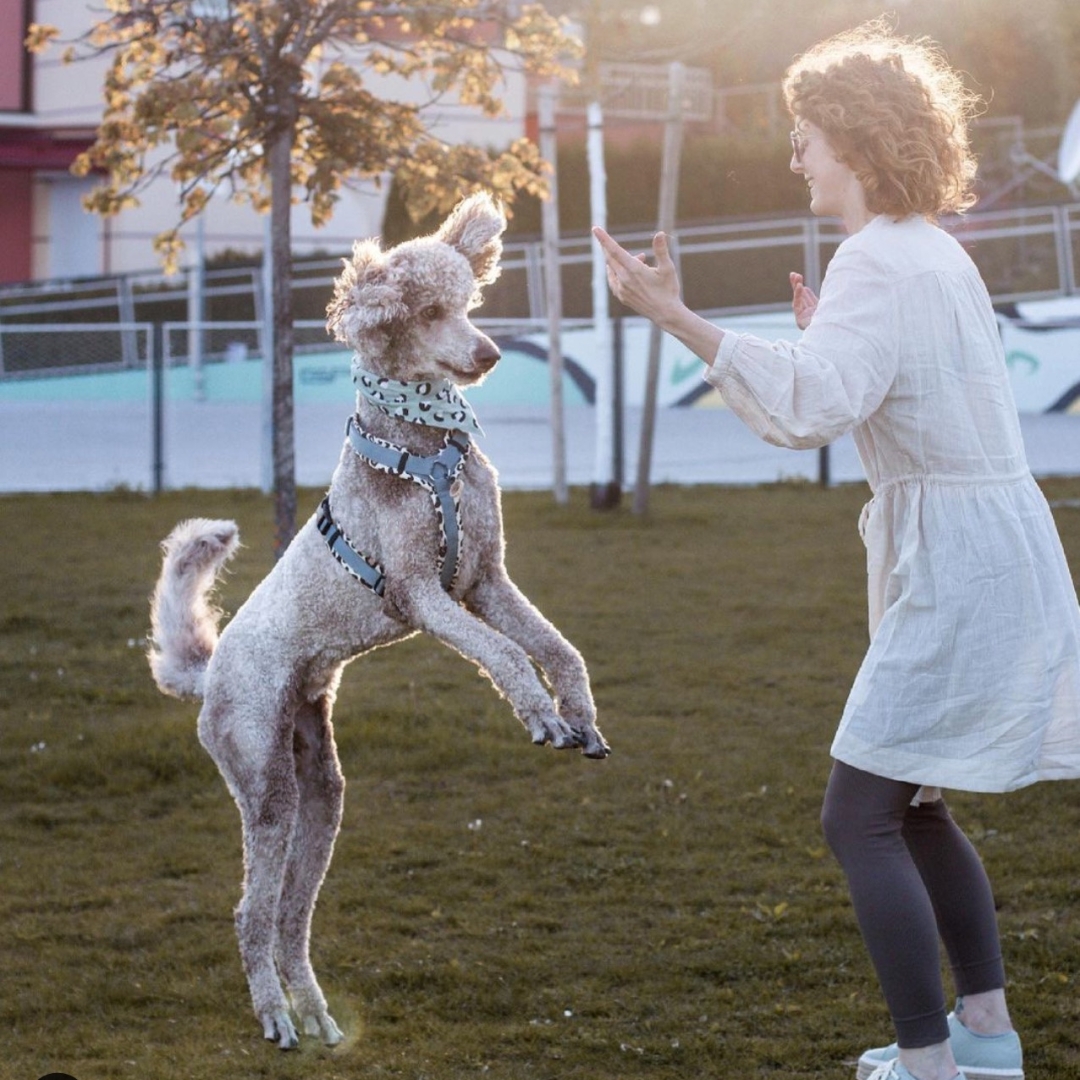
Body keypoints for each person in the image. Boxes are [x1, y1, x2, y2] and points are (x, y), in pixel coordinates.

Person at [593, 20, 1080, 1080]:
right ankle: (985, 1037)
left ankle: (929, 1065)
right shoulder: (932, 251)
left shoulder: (876, 259)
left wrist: (675, 315)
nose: (795, 157)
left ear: (853, 141)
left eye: (805, 136)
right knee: (914, 803)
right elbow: (866, 386)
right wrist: (821, 342)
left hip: (959, 568)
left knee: (859, 816)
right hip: (992, 551)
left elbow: (812, 407)